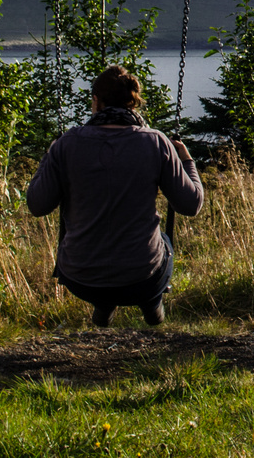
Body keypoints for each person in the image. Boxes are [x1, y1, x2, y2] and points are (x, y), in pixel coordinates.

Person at [26, 65, 204, 326]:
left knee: (106, 248)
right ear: (133, 103)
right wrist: (186, 160)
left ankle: (104, 307)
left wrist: (49, 156)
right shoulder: (156, 142)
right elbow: (191, 205)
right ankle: (153, 305)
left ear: (96, 101)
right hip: (143, 277)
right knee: (161, 241)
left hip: (80, 277)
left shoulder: (67, 144)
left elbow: (37, 205)